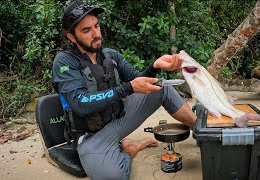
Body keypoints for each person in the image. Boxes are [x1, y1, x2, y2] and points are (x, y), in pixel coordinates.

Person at [52, 1, 196, 179]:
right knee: (114, 176)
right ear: (72, 37)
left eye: (96, 26)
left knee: (161, 87)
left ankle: (200, 131)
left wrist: (155, 66)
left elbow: (137, 79)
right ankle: (130, 149)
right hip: (92, 136)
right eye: (86, 30)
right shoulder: (65, 62)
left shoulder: (110, 55)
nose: (96, 34)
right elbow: (80, 103)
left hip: (120, 118)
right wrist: (127, 89)